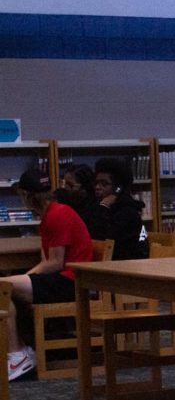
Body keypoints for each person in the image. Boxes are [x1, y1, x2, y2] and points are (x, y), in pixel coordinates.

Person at [3, 169, 94, 380]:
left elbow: (54, 263)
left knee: (3, 287)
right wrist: (27, 277)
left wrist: (27, 277)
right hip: (63, 277)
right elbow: (49, 261)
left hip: (70, 281)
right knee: (7, 288)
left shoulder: (57, 215)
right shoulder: (50, 215)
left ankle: (17, 355)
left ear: (26, 195)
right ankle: (21, 350)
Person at [92, 157, 148, 260]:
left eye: (104, 184)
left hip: (128, 266)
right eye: (96, 183)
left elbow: (106, 238)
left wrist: (103, 207)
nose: (97, 187)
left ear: (118, 189)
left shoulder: (128, 212)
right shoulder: (99, 207)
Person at [54, 163, 103, 237]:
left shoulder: (94, 209)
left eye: (70, 185)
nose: (66, 189)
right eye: (65, 184)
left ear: (85, 188)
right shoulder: (65, 200)